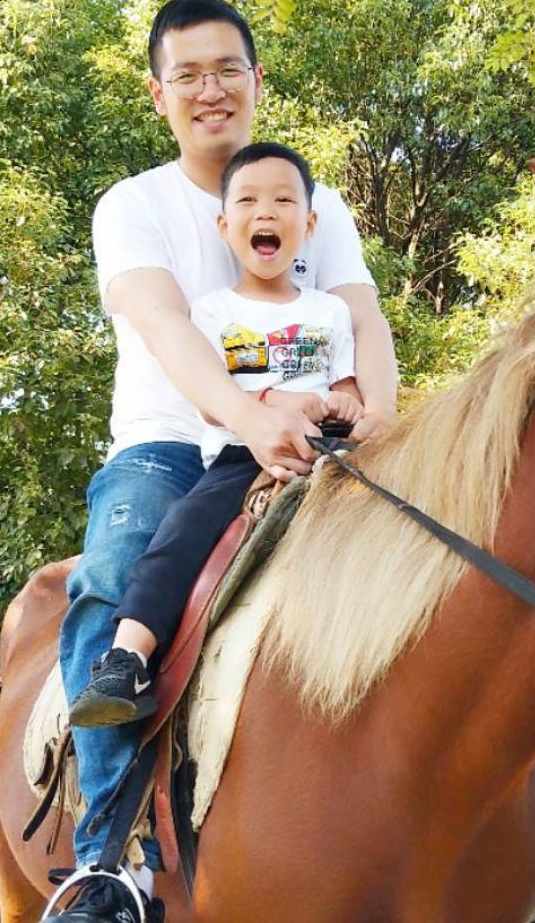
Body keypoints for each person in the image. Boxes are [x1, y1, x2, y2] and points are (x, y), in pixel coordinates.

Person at [52, 0, 395, 923]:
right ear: (158, 93)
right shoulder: (134, 205)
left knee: (448, 544)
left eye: (227, 70)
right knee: (113, 577)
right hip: (174, 444)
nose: (211, 90)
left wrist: (377, 414)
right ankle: (107, 862)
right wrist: (248, 416)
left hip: (319, 443)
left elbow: (362, 320)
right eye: (189, 75)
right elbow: (165, 324)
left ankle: (507, 818)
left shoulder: (316, 204)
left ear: (256, 80)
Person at [68, 142, 362, 728]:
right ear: (225, 226)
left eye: (283, 201)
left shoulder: (330, 313)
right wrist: (279, 403)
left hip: (329, 452)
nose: (266, 212)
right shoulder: (214, 312)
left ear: (309, 225)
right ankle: (127, 656)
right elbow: (214, 402)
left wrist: (342, 405)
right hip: (240, 454)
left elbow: (348, 388)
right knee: (181, 531)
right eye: (248, 201)